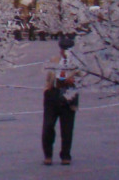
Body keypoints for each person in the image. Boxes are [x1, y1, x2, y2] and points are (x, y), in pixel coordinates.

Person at [42, 36, 80, 166]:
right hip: (53, 95)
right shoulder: (54, 61)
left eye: (67, 49)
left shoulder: (77, 64)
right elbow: (49, 78)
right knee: (48, 126)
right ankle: (48, 154)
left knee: (67, 128)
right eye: (63, 49)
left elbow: (79, 80)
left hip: (69, 96)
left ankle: (65, 154)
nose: (64, 51)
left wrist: (71, 81)